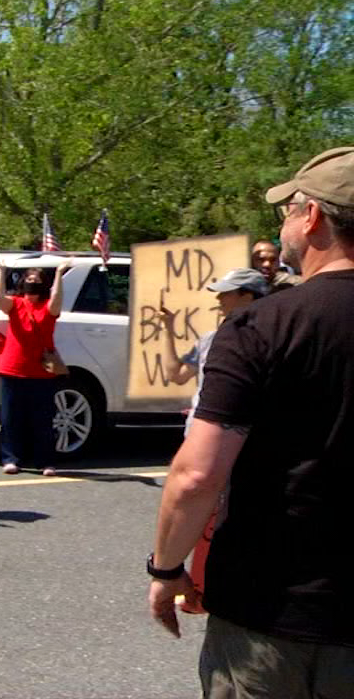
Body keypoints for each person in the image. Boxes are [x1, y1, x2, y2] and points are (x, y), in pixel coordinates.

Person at [147, 146, 354, 697]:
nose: (283, 223)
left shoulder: (260, 326)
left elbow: (197, 475)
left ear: (313, 217)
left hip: (269, 613)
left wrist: (167, 570)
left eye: (288, 210)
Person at [159, 269, 269, 434]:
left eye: (226, 293)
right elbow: (177, 376)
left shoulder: (269, 342)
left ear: (247, 298)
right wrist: (168, 329)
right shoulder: (208, 340)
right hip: (199, 435)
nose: (218, 298)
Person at [0, 257, 72, 476]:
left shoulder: (48, 307)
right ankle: (10, 459)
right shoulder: (16, 304)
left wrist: (59, 273)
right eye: (29, 278)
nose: (32, 282)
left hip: (42, 371)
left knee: (43, 419)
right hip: (12, 368)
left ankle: (45, 461)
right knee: (10, 418)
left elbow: (57, 298)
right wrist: (1, 271)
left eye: (37, 279)